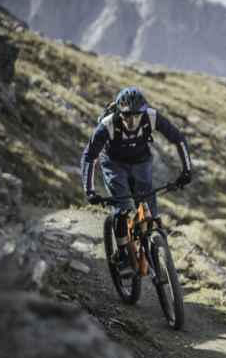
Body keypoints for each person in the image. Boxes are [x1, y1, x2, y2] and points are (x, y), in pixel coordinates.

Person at [80, 86, 193, 268]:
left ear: (143, 112)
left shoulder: (151, 116)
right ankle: (123, 254)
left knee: (150, 209)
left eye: (136, 115)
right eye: (127, 115)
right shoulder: (108, 125)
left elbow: (178, 139)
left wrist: (187, 170)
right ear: (119, 112)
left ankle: (152, 244)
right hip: (113, 163)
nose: (132, 120)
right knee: (123, 207)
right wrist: (90, 190)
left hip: (141, 161)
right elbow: (89, 156)